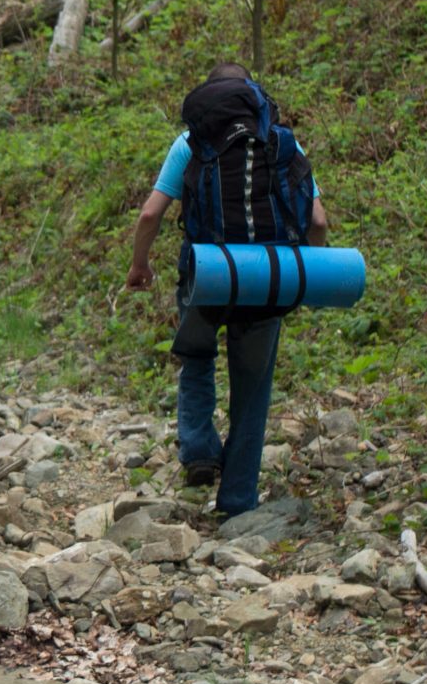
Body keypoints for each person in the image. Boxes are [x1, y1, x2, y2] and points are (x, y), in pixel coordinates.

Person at [124, 63, 329, 519]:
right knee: (252, 391)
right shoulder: (282, 142)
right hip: (269, 278)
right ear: (254, 96)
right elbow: (316, 221)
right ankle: (237, 503)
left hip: (207, 273)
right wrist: (311, 273)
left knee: (196, 355)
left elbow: (150, 214)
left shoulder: (191, 143)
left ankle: (198, 449)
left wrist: (140, 264)